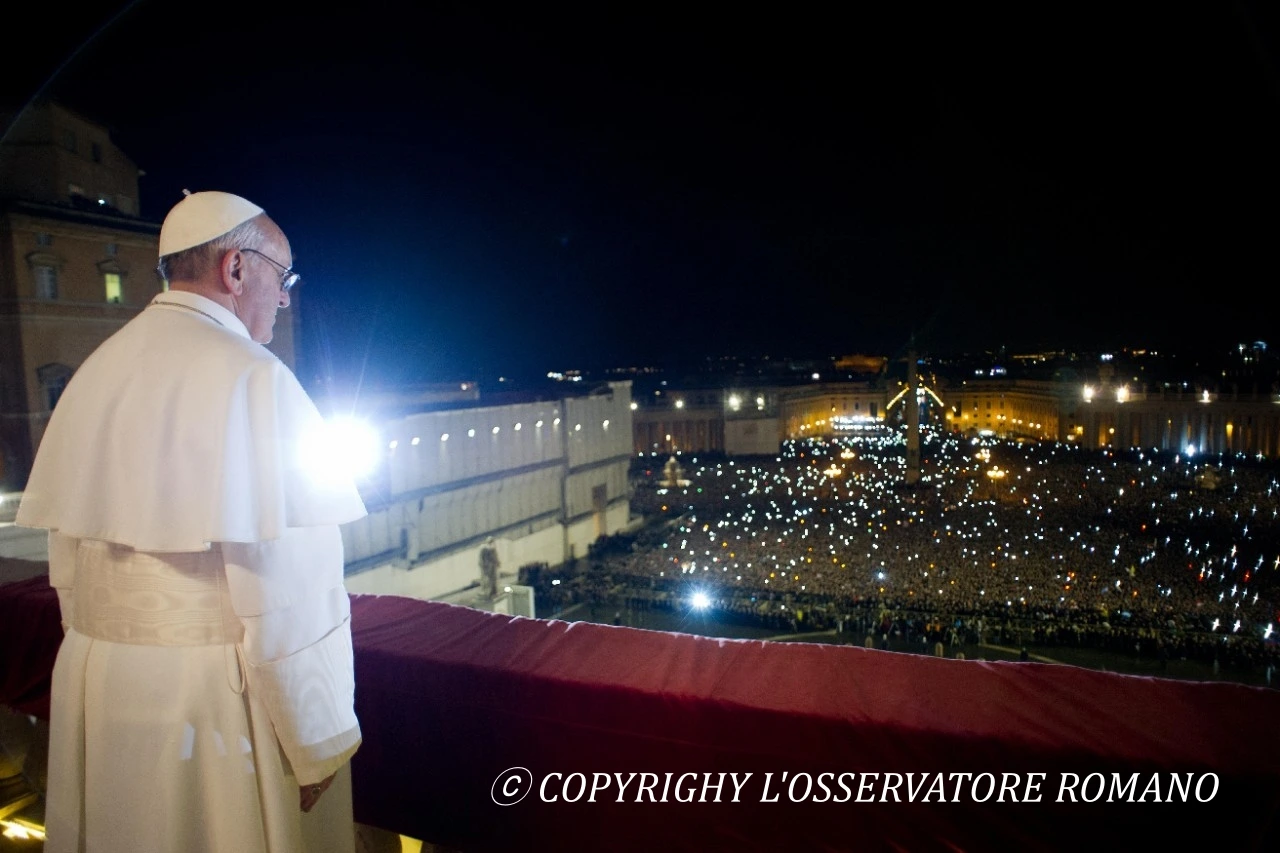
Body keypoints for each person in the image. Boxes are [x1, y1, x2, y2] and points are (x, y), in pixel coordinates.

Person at [16, 190, 368, 852]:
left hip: (99, 682)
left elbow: (67, 567)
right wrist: (315, 736)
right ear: (236, 269)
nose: (286, 298)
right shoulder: (255, 378)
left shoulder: (96, 369)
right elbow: (293, 590)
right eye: (282, 277)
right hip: (214, 705)